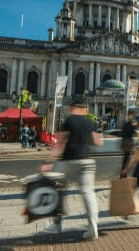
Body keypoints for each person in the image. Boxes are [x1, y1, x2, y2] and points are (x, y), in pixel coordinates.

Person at [42, 99, 102, 240]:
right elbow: (98, 142)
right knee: (88, 192)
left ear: (74, 108)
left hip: (68, 161)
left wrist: (48, 161)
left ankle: (56, 225)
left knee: (59, 192)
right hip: (87, 160)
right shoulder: (91, 122)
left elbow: (60, 143)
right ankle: (93, 225)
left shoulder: (69, 121)